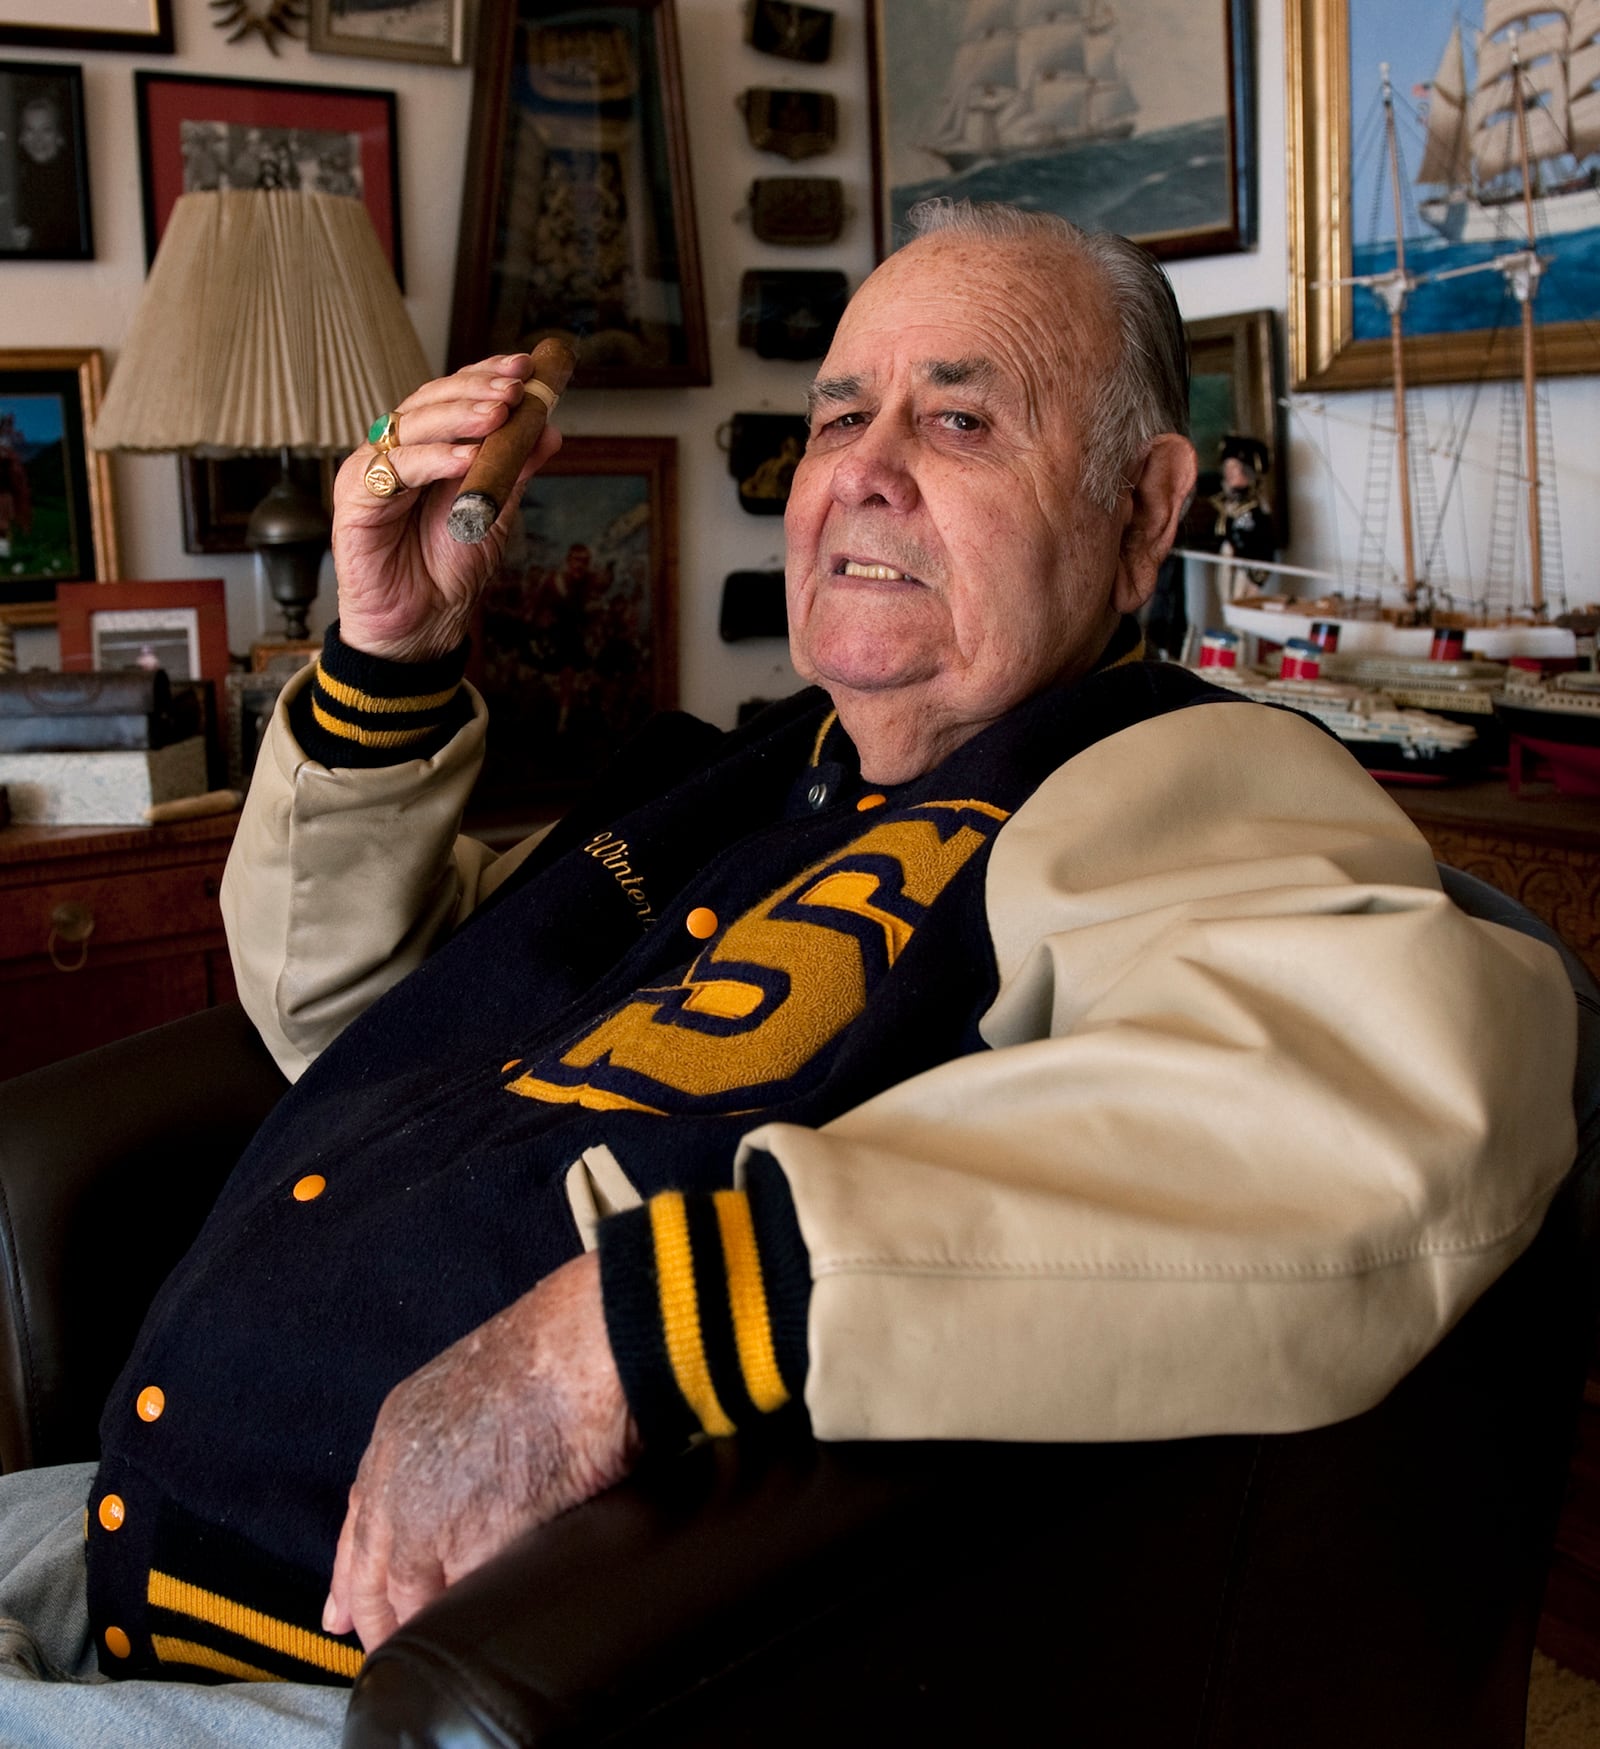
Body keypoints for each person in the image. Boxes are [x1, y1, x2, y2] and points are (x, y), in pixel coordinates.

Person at [0, 200, 1577, 1745]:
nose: (864, 473)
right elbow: (347, 1012)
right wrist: (388, 653)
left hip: (398, 1668)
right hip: (136, 1533)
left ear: (1143, 513)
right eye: (838, 416)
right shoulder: (754, 773)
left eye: (958, 420)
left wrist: (615, 1334)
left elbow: (1375, 1100)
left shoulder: (1166, 775)